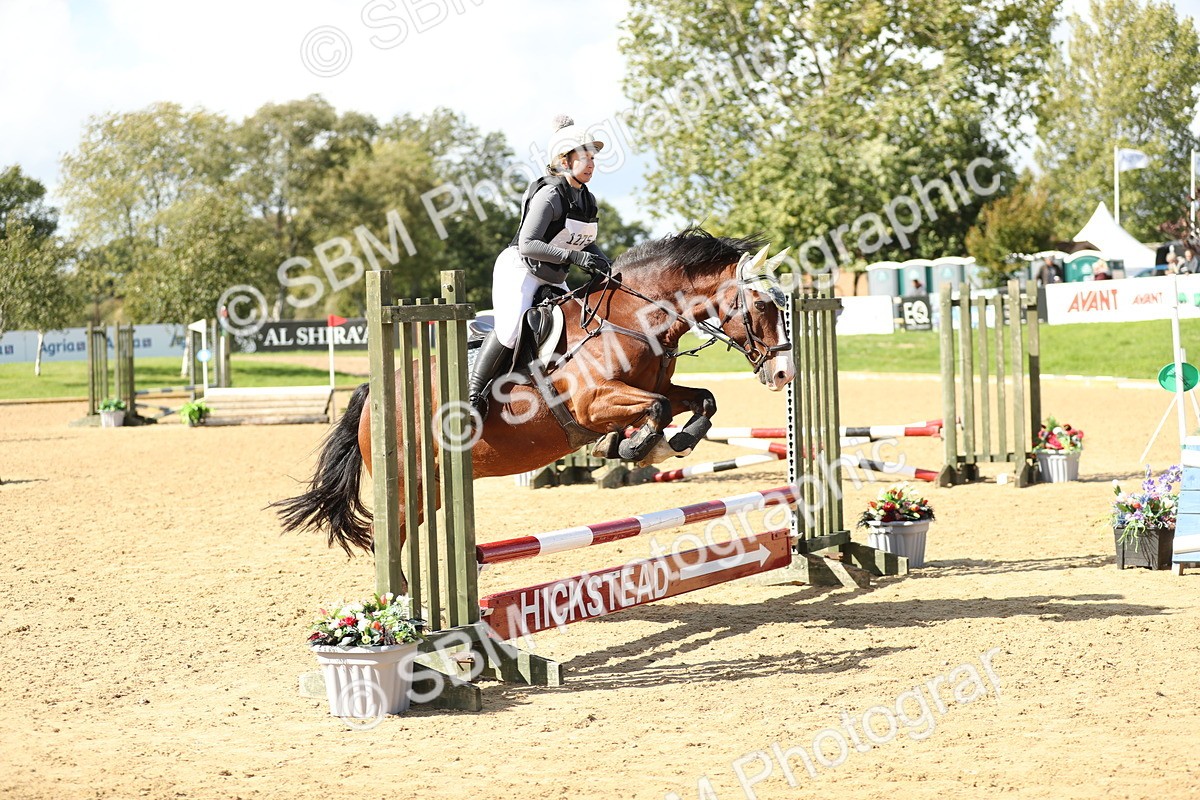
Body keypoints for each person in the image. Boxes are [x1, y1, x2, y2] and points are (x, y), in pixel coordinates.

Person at [468, 115, 612, 416]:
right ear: (563, 160)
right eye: (583, 157)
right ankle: (474, 397)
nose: (590, 164)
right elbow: (528, 244)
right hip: (520, 268)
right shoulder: (550, 195)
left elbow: (583, 241)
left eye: (593, 158)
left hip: (552, 272)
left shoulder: (588, 200)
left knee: (578, 323)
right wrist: (573, 258)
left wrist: (605, 265)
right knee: (510, 330)